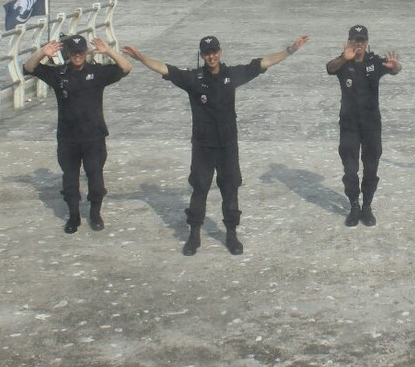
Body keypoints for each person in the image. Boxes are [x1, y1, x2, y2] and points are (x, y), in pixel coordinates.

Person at [123, 33, 309, 256]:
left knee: (230, 188)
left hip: (228, 146)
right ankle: (194, 235)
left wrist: (290, 50)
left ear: (220, 52)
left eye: (214, 52)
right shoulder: (193, 79)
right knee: (199, 188)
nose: (211, 57)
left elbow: (263, 63)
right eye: (207, 53)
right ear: (202, 56)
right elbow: (165, 68)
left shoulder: (232, 75)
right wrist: (141, 57)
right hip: (203, 146)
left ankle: (231, 234)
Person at [23, 34, 133, 234]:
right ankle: (73, 216)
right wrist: (42, 52)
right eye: (73, 52)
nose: (77, 56)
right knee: (70, 181)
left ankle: (95, 213)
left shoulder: (96, 72)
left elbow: (126, 67)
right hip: (68, 138)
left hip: (94, 137)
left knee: (96, 179)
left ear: (85, 52)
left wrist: (108, 51)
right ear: (68, 53)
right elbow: (29, 68)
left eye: (80, 52)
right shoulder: (59, 74)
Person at [325, 25, 402, 227]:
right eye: (355, 40)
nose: (359, 43)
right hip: (349, 125)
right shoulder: (343, 62)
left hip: (371, 125)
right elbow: (329, 68)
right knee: (350, 169)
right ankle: (354, 206)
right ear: (349, 41)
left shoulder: (374, 62)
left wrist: (395, 66)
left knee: (371, 167)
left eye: (362, 40)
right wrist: (345, 58)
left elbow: (395, 69)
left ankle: (366, 206)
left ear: (367, 42)